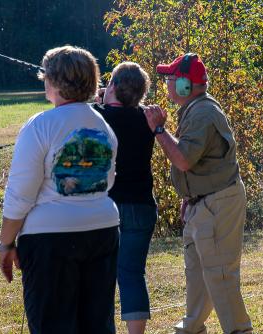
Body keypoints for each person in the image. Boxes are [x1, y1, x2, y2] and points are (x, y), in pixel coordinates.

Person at [0, 45, 119, 334]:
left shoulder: (40, 125)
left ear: (54, 82)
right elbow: (107, 180)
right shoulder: (103, 125)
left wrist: (5, 243)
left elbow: (20, 194)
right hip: (103, 230)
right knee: (97, 325)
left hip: (50, 241)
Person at [144, 53, 253, 334]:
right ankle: (191, 328)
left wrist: (158, 129)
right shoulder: (195, 109)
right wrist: (188, 195)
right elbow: (201, 161)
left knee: (221, 276)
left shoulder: (203, 113)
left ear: (184, 85)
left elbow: (183, 159)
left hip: (216, 205)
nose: (166, 84)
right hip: (202, 203)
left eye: (170, 79)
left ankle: (239, 331)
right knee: (198, 276)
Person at [92, 62, 157, 334]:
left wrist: (98, 99)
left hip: (109, 207)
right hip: (142, 204)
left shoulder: (97, 115)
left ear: (115, 86)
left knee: (102, 276)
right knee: (132, 274)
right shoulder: (147, 118)